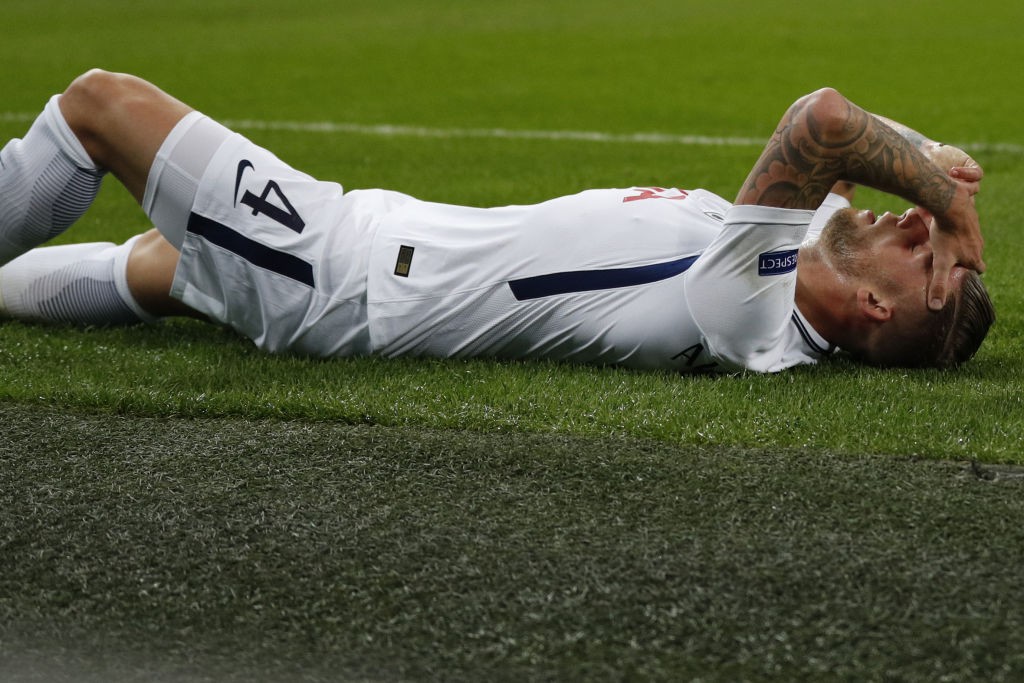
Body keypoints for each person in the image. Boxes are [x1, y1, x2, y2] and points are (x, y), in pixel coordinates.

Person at [0, 70, 994, 374]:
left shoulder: (752, 319)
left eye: (924, 259)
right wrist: (939, 166)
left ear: (869, 304)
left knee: (99, 105)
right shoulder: (788, 258)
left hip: (339, 276)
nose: (912, 225)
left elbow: (820, 126)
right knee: (163, 267)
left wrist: (946, 200)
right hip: (362, 253)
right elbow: (858, 164)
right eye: (922, 226)